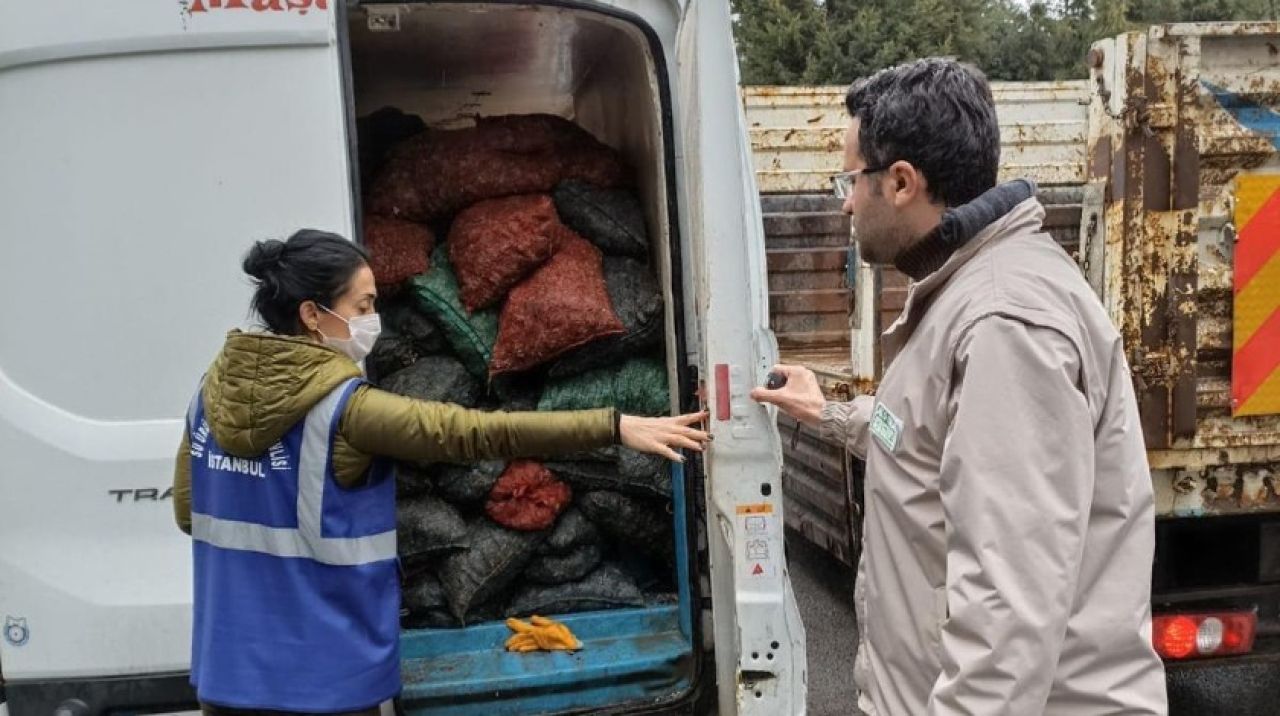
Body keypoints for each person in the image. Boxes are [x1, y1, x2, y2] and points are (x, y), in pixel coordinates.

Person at [752, 59, 1167, 715]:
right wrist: (828, 411)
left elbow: (1008, 611)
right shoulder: (964, 294)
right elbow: (919, 438)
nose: (844, 201)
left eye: (849, 180)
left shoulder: (1002, 324)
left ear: (901, 183)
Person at [172, 229, 709, 715]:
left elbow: (187, 513)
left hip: (230, 673)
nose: (370, 323)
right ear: (313, 315)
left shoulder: (209, 395)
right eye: (362, 306)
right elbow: (475, 432)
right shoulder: (347, 411)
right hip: (322, 678)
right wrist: (614, 426)